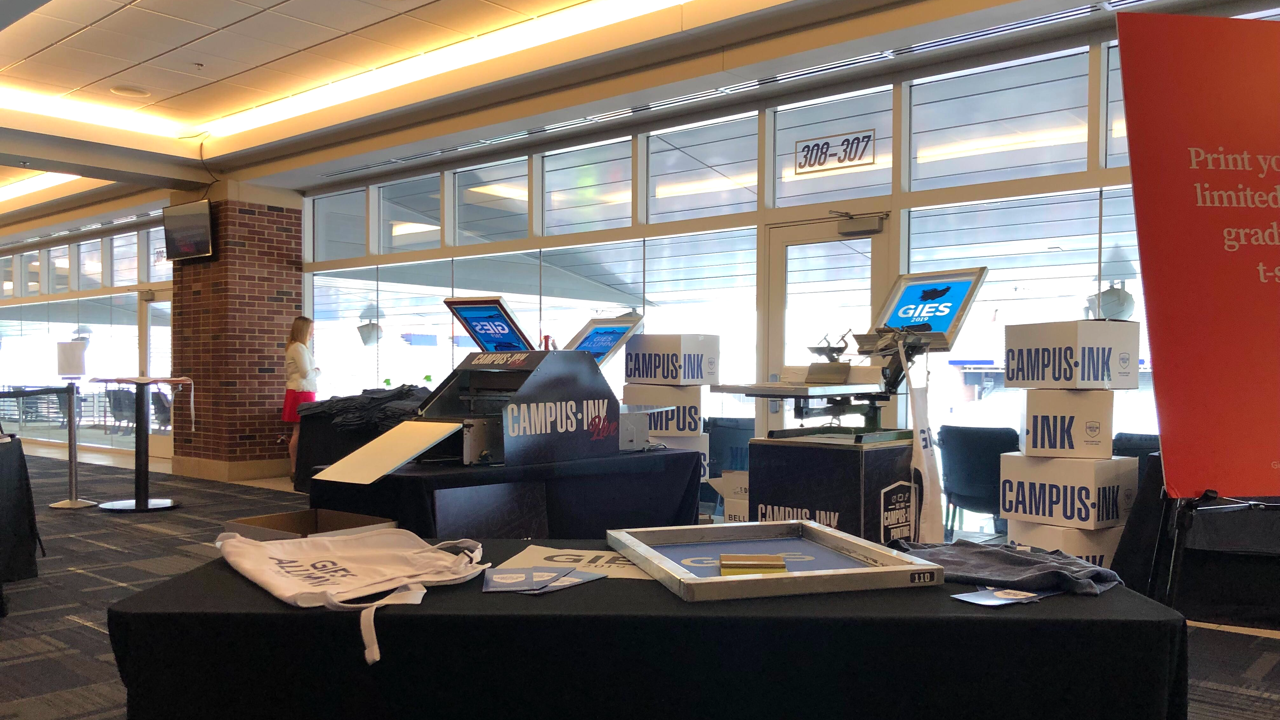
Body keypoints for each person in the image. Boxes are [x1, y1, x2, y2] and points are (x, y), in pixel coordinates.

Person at [283, 316, 320, 476]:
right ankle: (295, 468)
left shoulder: (296, 347)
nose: (312, 333)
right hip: (301, 391)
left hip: (300, 390)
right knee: (299, 430)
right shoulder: (298, 347)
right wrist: (318, 371)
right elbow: (306, 373)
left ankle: (297, 467)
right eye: (310, 330)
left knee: (300, 430)